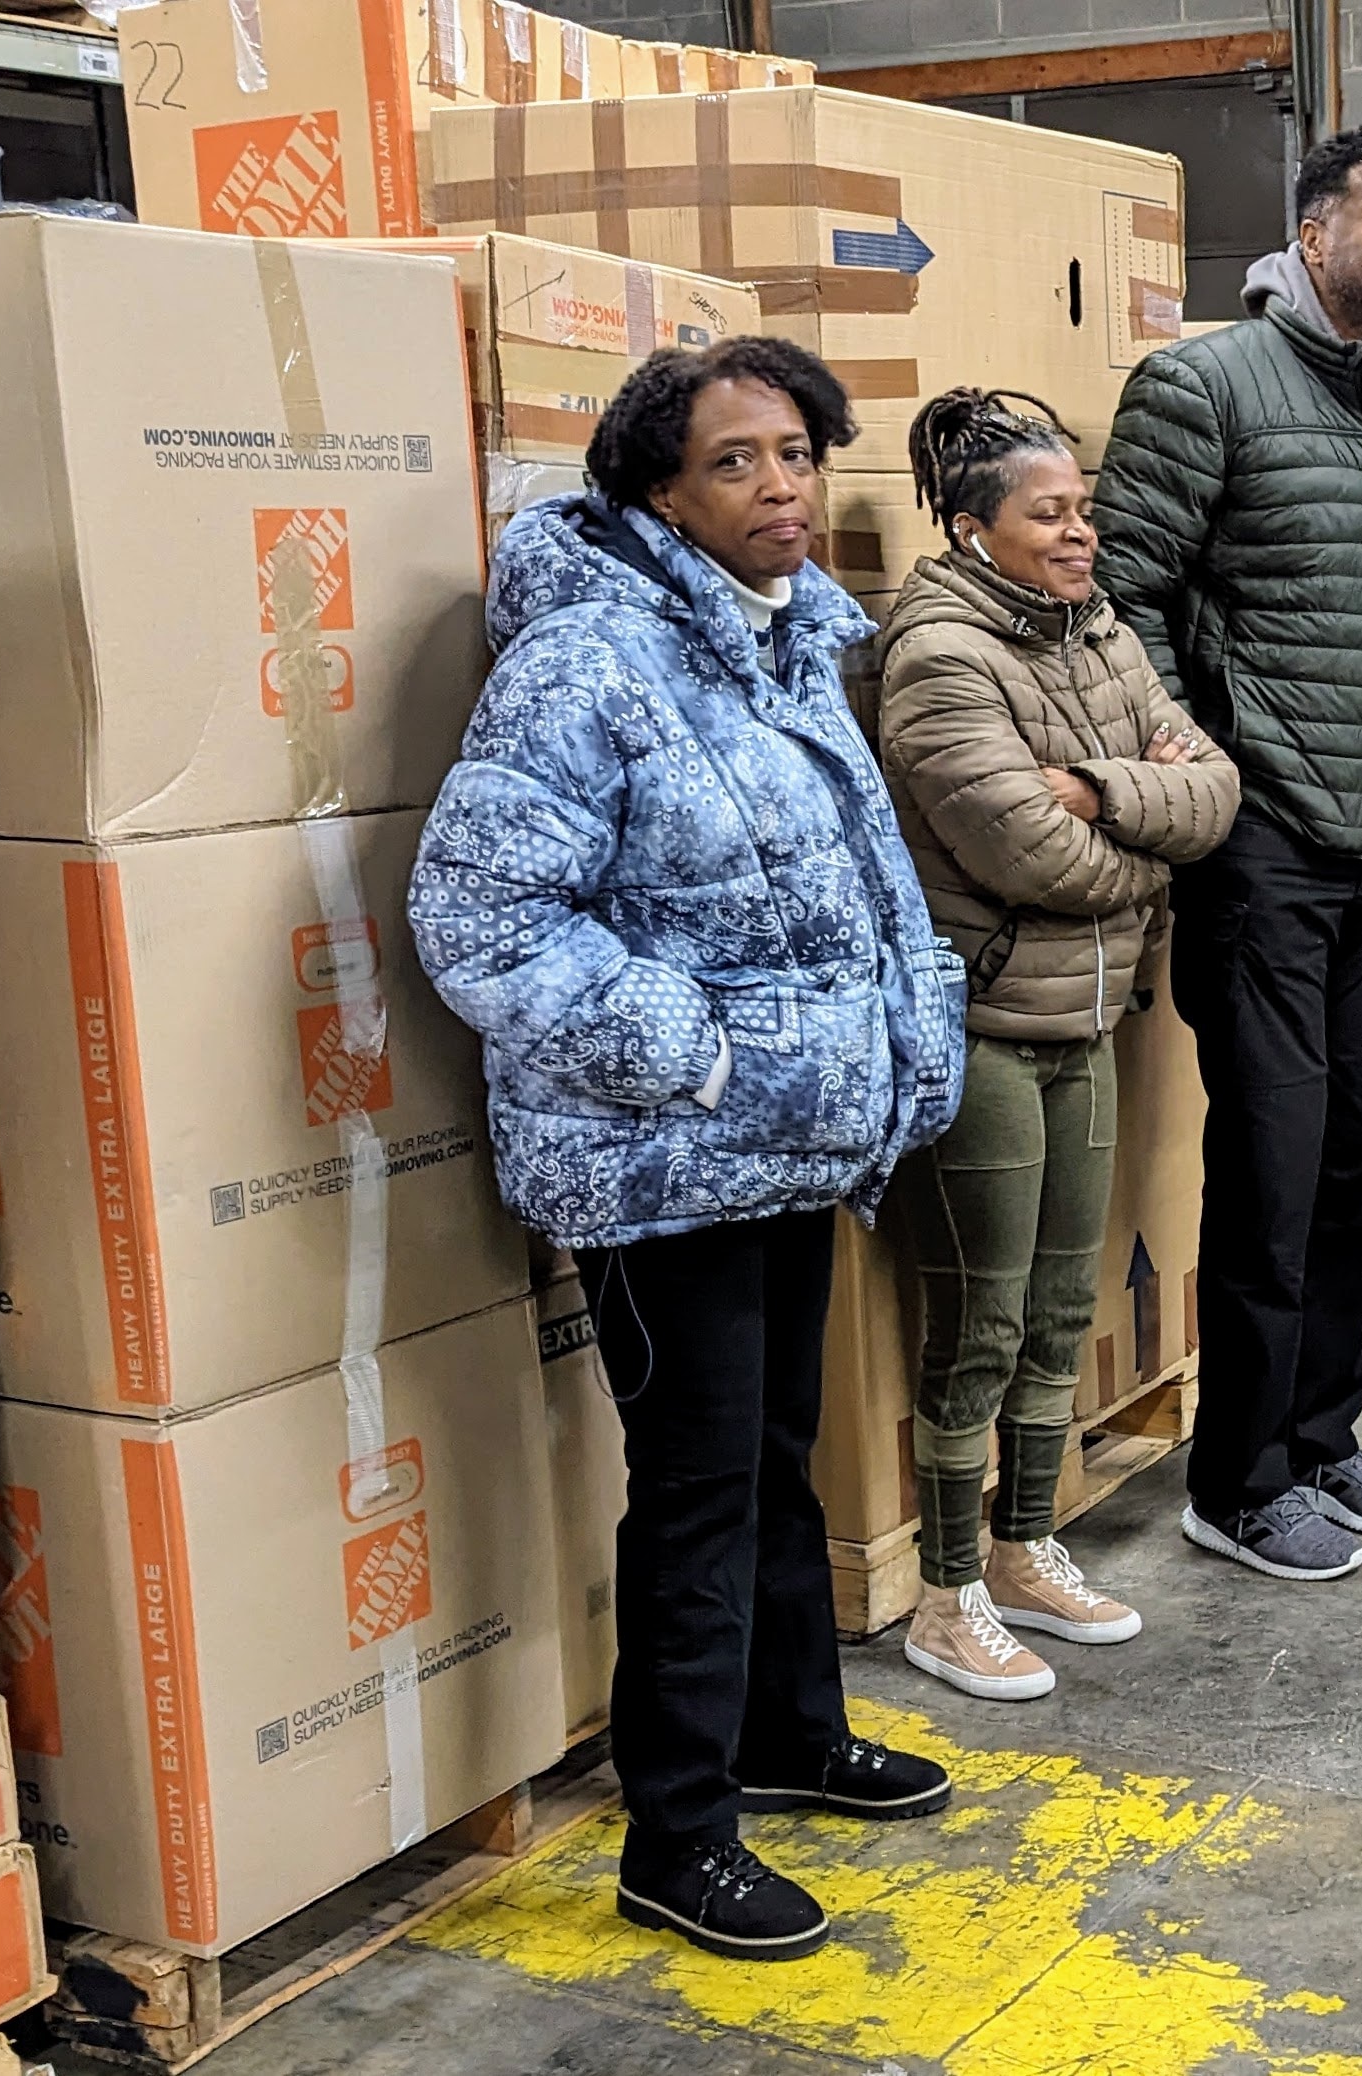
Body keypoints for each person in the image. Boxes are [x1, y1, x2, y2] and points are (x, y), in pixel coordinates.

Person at [408, 337, 966, 1965]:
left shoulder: (788, 647)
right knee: (699, 1496)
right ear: (657, 486)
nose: (778, 484)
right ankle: (679, 1831)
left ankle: (790, 1728)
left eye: (796, 452)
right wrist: (690, 1049)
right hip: (666, 1160)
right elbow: (481, 912)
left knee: (778, 1454)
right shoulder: (587, 665)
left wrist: (894, 1029)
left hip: (786, 1143)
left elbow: (855, 886)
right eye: (734, 460)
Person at [1095, 125, 1362, 1584]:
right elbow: (1125, 600)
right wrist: (1206, 771)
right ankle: (1235, 1477)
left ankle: (1321, 1433)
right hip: (1272, 846)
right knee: (1274, 1163)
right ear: (1313, 238)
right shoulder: (1203, 383)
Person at [875, 388, 1238, 1698]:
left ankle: (1027, 1548)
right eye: (1051, 516)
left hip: (1086, 1017)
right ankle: (944, 1595)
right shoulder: (937, 654)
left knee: (1056, 1310)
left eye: (1084, 509)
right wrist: (1142, 847)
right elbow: (1021, 851)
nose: (1081, 534)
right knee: (976, 1321)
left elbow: (1214, 790)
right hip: (979, 1027)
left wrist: (1110, 797)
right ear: (974, 531)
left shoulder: (1098, 631)